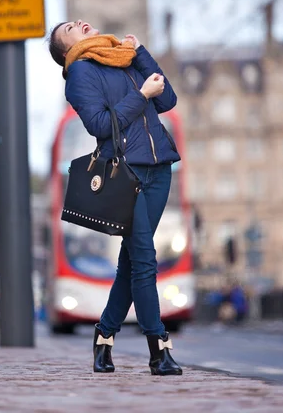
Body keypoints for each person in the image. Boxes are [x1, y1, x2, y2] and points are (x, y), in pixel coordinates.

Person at [49, 20, 182, 376]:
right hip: (126, 174)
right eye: (70, 30)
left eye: (76, 22)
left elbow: (167, 99)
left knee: (133, 261)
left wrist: (141, 54)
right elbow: (99, 125)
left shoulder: (123, 58)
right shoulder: (79, 72)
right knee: (145, 259)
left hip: (160, 169)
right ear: (67, 50)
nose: (78, 24)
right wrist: (141, 96)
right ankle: (159, 349)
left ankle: (105, 334)